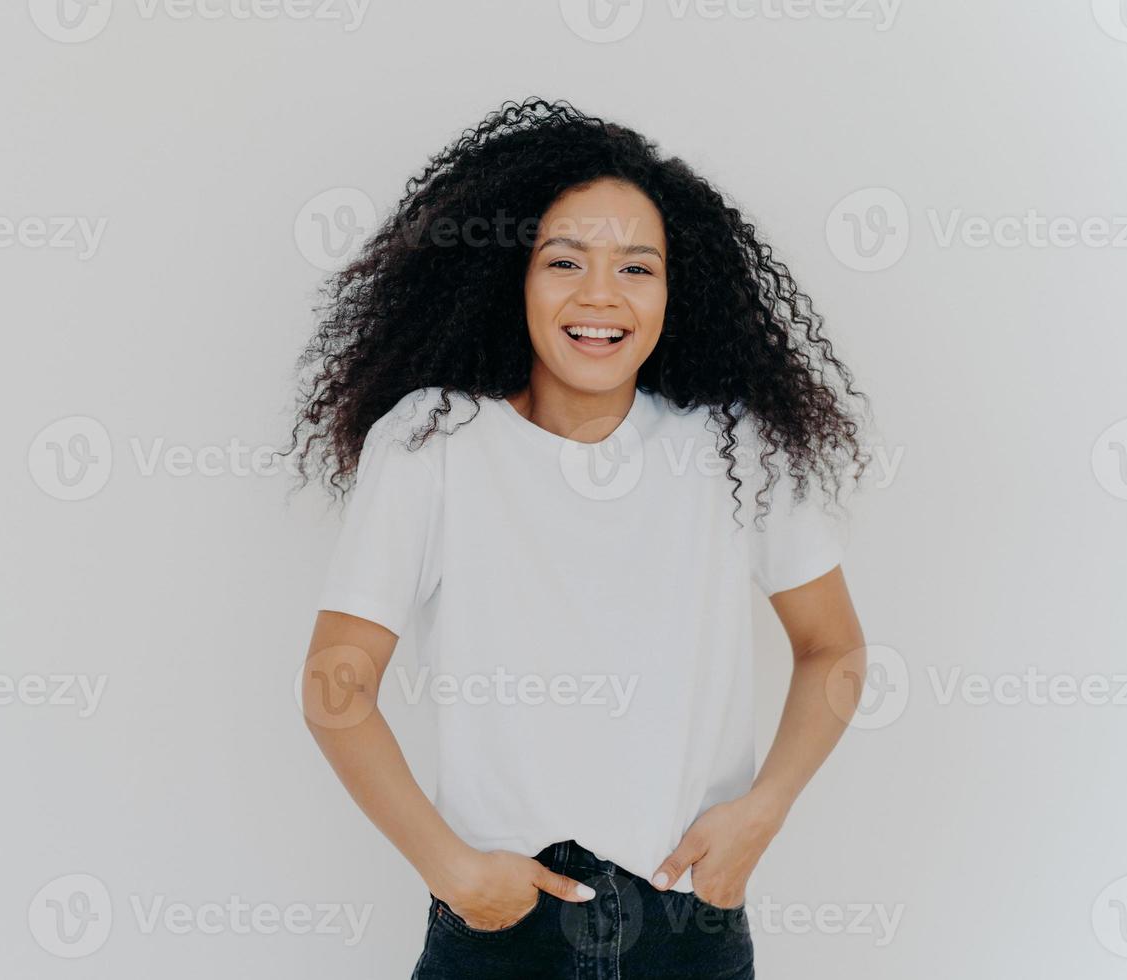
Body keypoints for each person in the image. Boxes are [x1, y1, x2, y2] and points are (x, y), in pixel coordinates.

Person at [287, 97, 871, 979]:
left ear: (678, 289)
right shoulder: (431, 444)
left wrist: (766, 811)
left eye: (638, 267)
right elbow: (336, 684)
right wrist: (452, 873)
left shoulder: (733, 448)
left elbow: (833, 649)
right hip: (501, 931)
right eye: (565, 261)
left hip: (691, 930)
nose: (601, 296)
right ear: (509, 277)